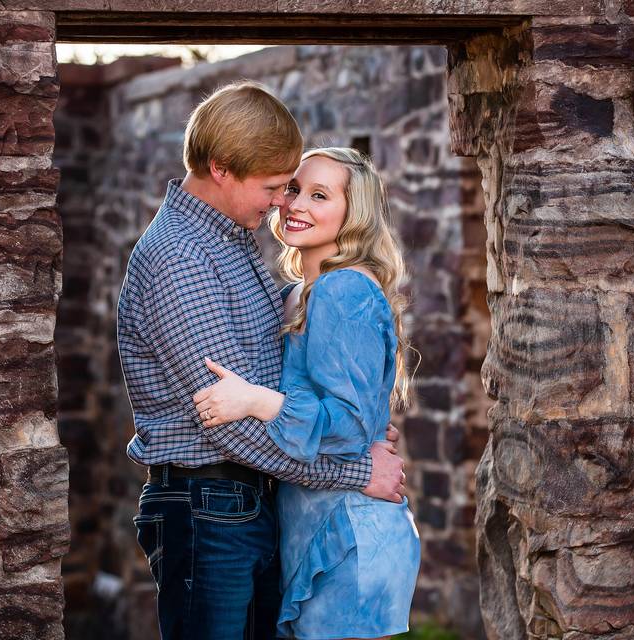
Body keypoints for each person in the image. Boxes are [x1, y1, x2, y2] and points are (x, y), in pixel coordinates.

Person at [116, 82, 407, 640]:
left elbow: (281, 376)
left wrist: (353, 418)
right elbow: (232, 430)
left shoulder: (232, 240)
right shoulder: (182, 259)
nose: (283, 202)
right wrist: (356, 470)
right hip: (208, 504)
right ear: (222, 168)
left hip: (250, 501)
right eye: (276, 186)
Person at [193, 147, 421, 639]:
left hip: (348, 532)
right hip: (311, 522)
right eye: (294, 189)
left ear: (352, 212)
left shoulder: (345, 290)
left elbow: (346, 428)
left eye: (320, 195)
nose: (296, 204)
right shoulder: (296, 293)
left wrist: (257, 401)